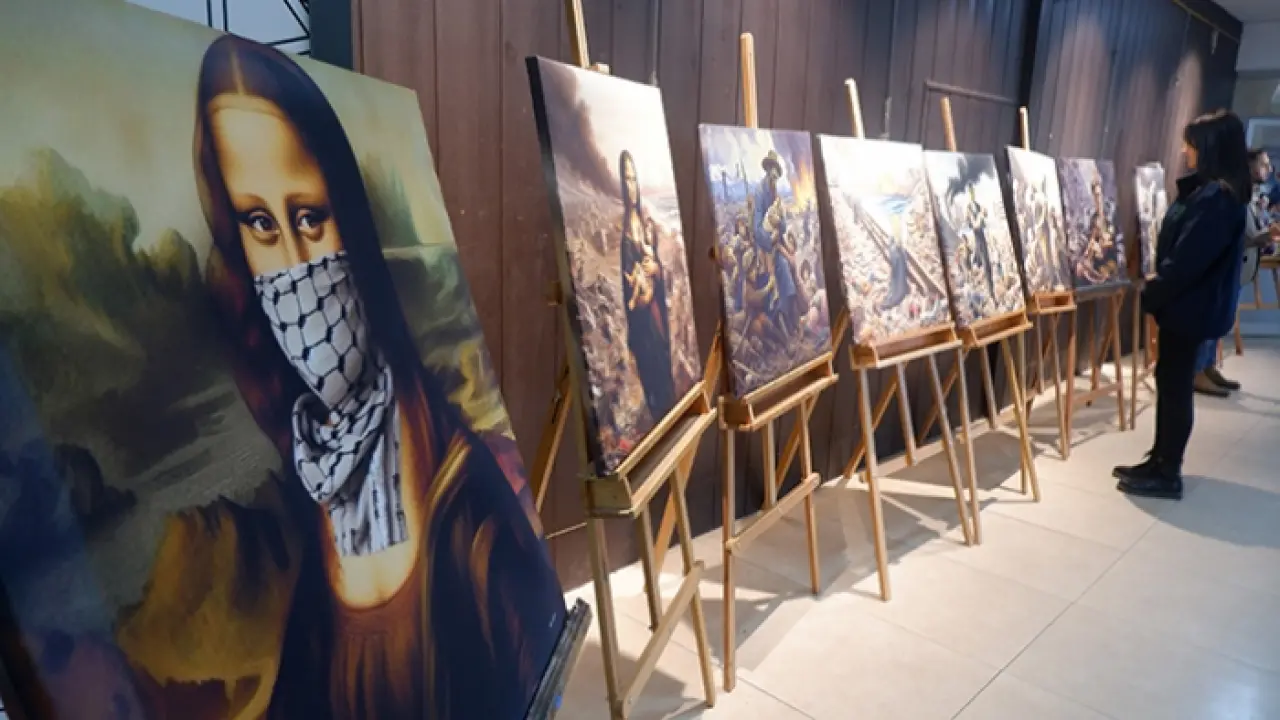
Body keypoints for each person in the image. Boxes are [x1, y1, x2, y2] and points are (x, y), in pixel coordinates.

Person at [140, 35, 565, 718]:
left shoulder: (470, 515)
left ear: (352, 222)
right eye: (260, 222)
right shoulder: (308, 489)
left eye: (310, 216)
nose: (295, 262)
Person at [1113, 110, 1251, 500]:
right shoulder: (1214, 192)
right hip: (1189, 307)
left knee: (1175, 387)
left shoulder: (1218, 198)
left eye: (1190, 145)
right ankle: (1159, 459)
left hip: (1189, 308)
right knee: (1171, 382)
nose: (1184, 152)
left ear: (1209, 148)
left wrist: (1153, 291)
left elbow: (1188, 261)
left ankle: (1167, 471)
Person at [1192, 149, 1280, 397]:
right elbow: (1241, 236)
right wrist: (1269, 235)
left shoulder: (1248, 194)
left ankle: (1208, 366)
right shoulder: (1232, 194)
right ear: (1249, 165)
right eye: (1263, 164)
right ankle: (1198, 372)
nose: (1268, 169)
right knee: (1212, 318)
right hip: (1224, 267)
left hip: (1236, 269)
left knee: (1221, 318)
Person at [618, 150, 677, 421]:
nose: (631, 186)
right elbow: (628, 292)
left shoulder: (644, 221)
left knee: (663, 364)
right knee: (652, 369)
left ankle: (670, 415)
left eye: (634, 179)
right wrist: (642, 293)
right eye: (626, 180)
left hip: (656, 313)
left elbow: (658, 267)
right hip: (643, 321)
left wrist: (657, 271)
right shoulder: (625, 235)